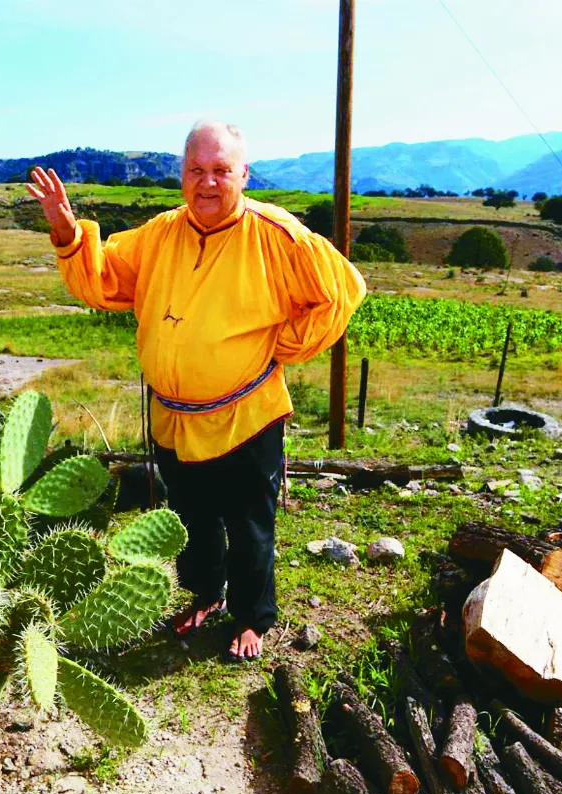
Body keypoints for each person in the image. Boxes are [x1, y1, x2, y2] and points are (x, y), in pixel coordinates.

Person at [27, 121, 366, 661]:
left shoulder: (275, 234)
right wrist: (67, 231)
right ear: (182, 175)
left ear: (243, 175)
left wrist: (285, 345)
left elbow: (342, 290)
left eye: (221, 171)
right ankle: (205, 594)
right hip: (174, 417)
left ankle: (254, 616)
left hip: (246, 415)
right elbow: (105, 276)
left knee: (249, 524)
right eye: (196, 171)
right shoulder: (161, 232)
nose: (208, 183)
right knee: (192, 520)